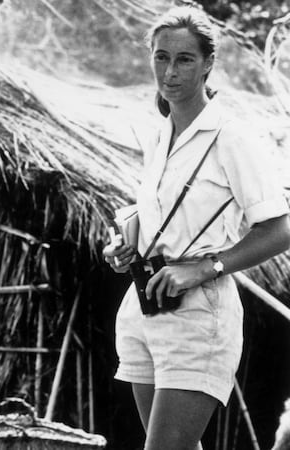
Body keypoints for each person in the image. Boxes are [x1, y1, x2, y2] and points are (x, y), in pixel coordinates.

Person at [103, 6, 290, 450]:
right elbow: (157, 219)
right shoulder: (158, 136)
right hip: (145, 308)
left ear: (208, 63)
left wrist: (207, 267)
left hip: (198, 313)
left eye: (185, 59)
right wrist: (122, 245)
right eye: (161, 57)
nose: (170, 71)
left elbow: (280, 228)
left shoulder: (231, 137)